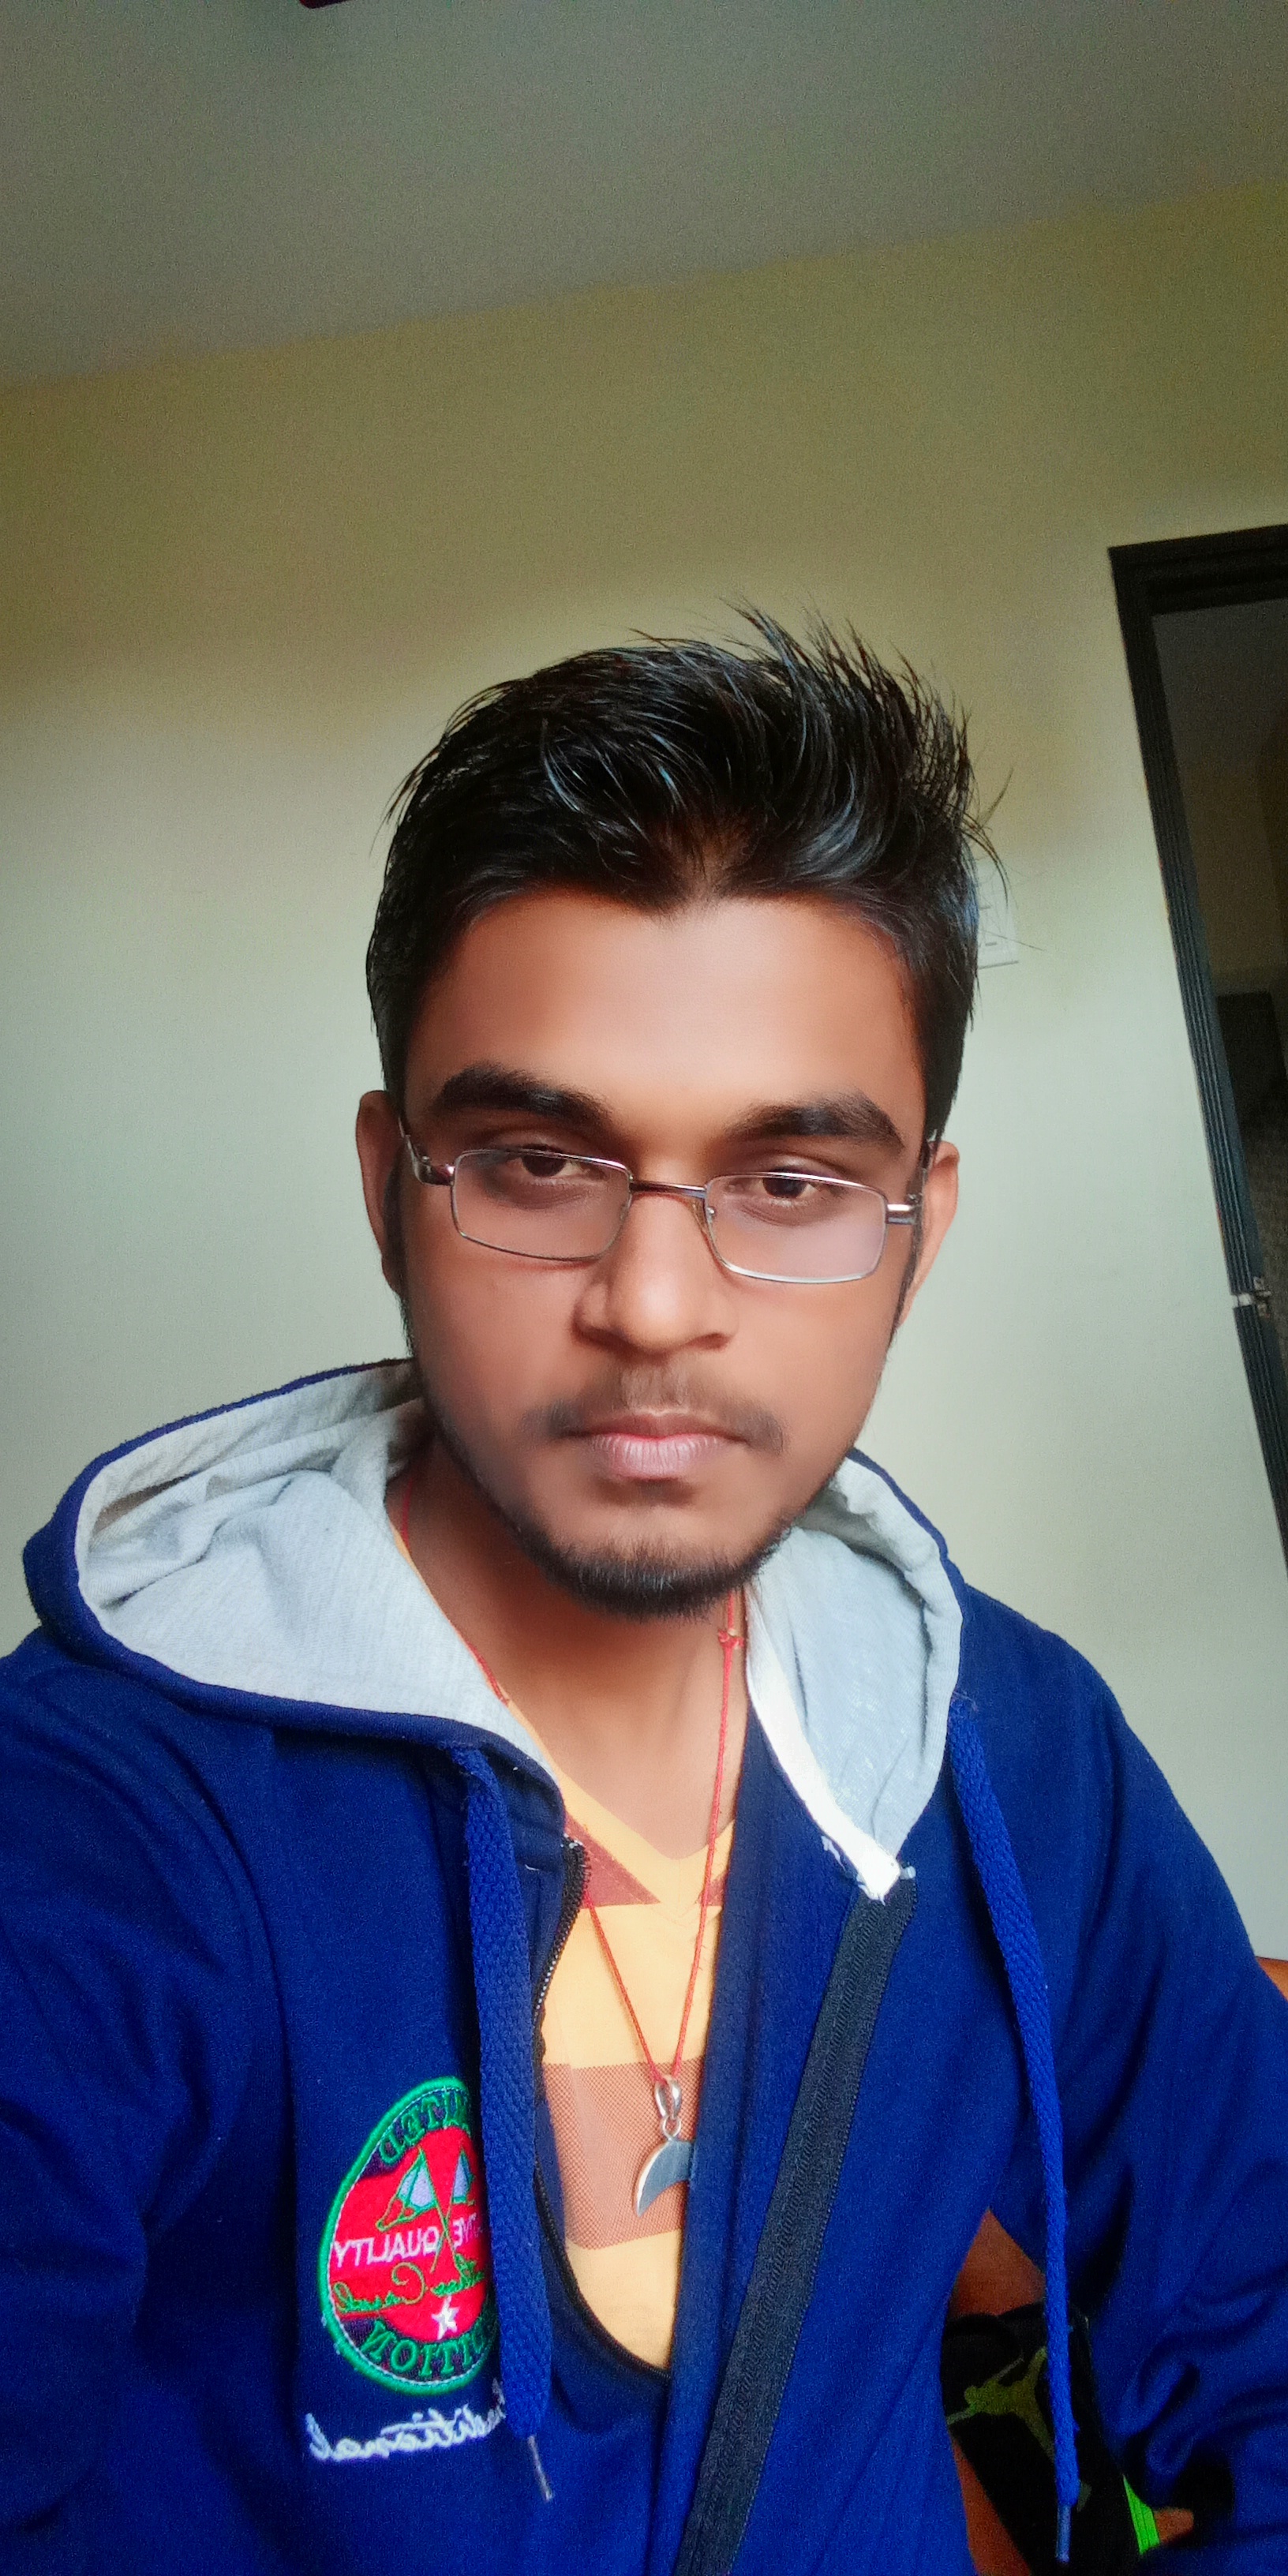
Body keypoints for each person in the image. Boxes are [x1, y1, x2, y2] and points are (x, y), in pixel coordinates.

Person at [1, 620, 1285, 2576]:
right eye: (536, 1162)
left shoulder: (1013, 1752)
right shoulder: (90, 1833)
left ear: (918, 1231)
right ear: (390, 1187)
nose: (657, 1304)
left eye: (789, 1183)